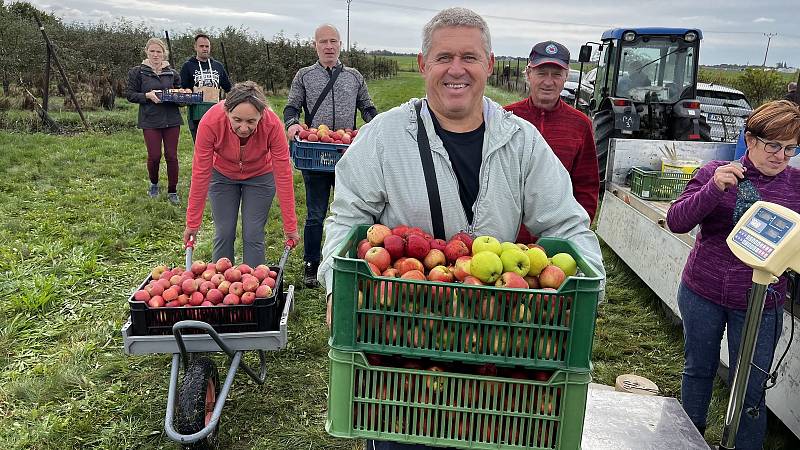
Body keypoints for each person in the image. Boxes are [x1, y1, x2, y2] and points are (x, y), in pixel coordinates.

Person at [317, 8, 605, 448]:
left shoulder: (521, 139)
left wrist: (590, 291)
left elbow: (567, 221)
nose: (457, 70)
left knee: (489, 429)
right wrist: (338, 285)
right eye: (444, 57)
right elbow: (348, 216)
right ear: (422, 64)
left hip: (495, 337)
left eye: (469, 57)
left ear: (489, 64)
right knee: (403, 436)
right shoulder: (384, 136)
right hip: (403, 335)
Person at [666, 100, 800, 450]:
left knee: (752, 386)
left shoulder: (797, 187)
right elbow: (677, 221)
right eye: (774, 145)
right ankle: (687, 439)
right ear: (750, 139)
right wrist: (713, 188)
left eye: (790, 148)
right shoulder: (716, 171)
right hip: (702, 292)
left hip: (761, 302)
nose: (781, 156)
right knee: (698, 370)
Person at [284, 23, 378, 288]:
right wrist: (292, 124)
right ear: (315, 45)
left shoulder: (354, 76)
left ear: (340, 45)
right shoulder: (304, 76)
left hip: (346, 152)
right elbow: (292, 106)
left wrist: (375, 124)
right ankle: (311, 264)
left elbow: (367, 106)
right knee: (315, 212)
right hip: (316, 152)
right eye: (323, 42)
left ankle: (348, 260)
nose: (329, 46)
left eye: (333, 41)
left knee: (350, 211)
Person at [183, 81, 300, 267]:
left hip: (260, 175)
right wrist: (193, 223)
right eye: (237, 120)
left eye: (251, 121)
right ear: (227, 111)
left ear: (261, 115)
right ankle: (220, 284)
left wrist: (290, 226)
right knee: (224, 232)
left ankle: (254, 289)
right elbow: (200, 174)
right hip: (222, 175)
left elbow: (284, 176)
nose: (244, 128)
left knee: (253, 233)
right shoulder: (210, 122)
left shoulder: (272, 125)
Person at [505, 40, 599, 244]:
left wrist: (575, 234)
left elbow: (586, 187)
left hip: (555, 239)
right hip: (505, 238)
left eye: (556, 74)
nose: (548, 82)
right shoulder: (506, 118)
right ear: (528, 74)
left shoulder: (580, 124)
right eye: (541, 73)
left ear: (566, 77)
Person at [126, 37, 184, 204]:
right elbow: (130, 94)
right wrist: (147, 96)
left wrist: (178, 97)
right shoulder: (137, 72)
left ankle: (172, 191)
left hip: (171, 119)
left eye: (159, 51)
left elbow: (180, 95)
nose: (155, 54)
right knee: (154, 155)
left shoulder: (172, 73)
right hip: (150, 119)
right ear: (147, 52)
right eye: (152, 51)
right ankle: (154, 184)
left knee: (171, 156)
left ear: (164, 53)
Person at [180, 33, 232, 141]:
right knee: (201, 145)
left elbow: (228, 88)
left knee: (218, 143)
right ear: (195, 47)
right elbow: (183, 87)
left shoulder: (218, 66)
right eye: (201, 46)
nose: (205, 49)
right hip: (196, 113)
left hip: (216, 112)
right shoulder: (188, 66)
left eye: (207, 46)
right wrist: (187, 91)